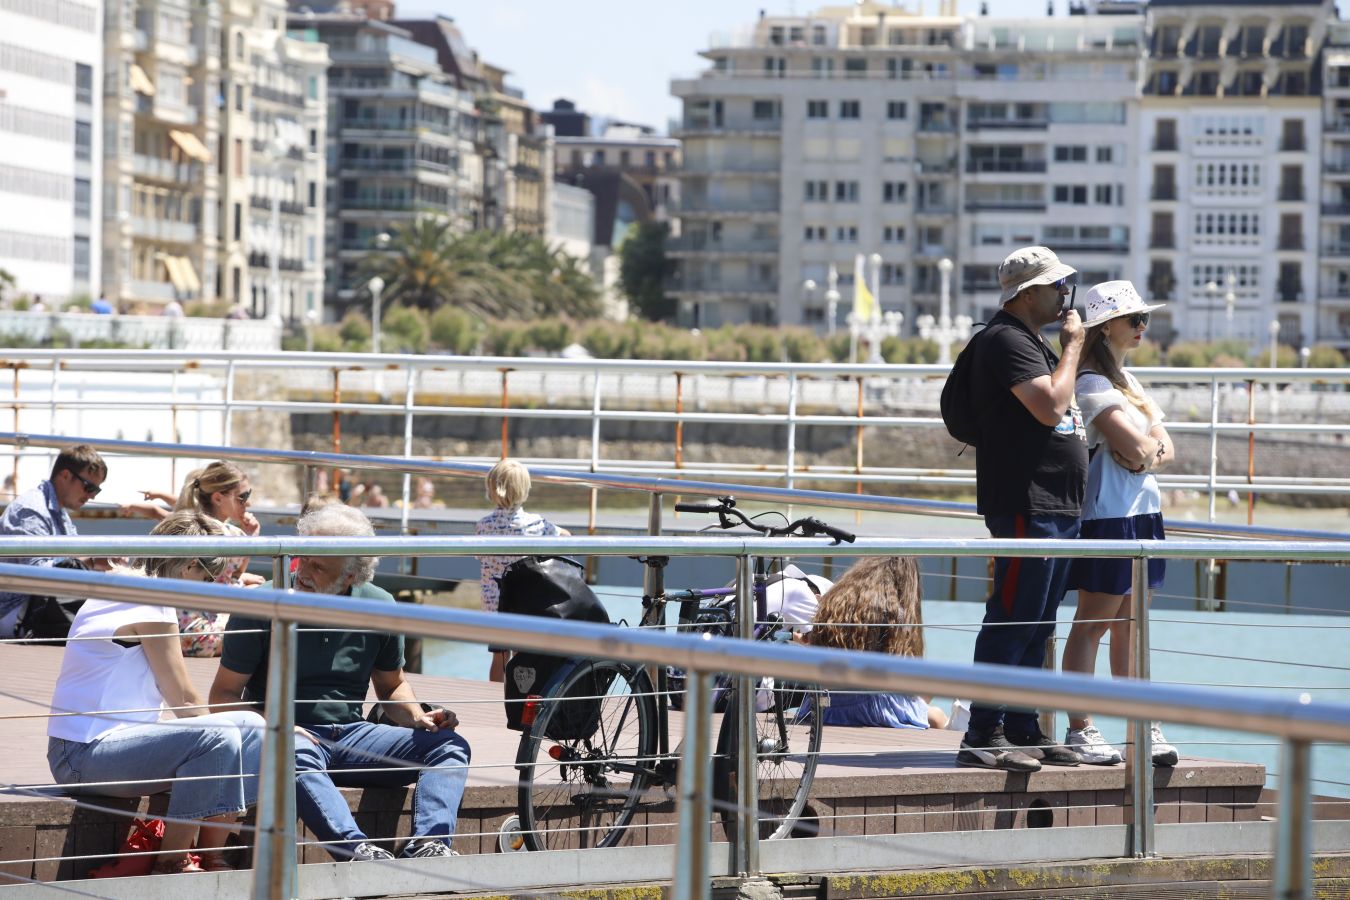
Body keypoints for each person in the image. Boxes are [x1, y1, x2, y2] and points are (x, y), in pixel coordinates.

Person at [210, 504, 471, 862]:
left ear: (351, 576)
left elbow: (392, 685)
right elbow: (223, 695)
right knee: (290, 753)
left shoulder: (380, 604)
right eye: (303, 559)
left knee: (449, 745)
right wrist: (276, 727)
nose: (302, 571)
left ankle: (430, 845)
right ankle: (356, 850)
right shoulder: (258, 604)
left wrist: (417, 717)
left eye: (319, 567)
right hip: (289, 736)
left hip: (353, 734)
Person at [47, 511, 264, 874]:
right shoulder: (150, 603)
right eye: (210, 577)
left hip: (101, 748)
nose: (210, 588)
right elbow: (185, 700)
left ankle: (213, 856)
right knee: (223, 736)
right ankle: (173, 860)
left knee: (253, 726)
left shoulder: (125, 587)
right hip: (84, 755)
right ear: (189, 566)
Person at [956, 246, 1089, 773]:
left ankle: (1023, 726)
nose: (1064, 295)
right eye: (1057, 286)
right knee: (1013, 616)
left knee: (1039, 620)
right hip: (1024, 502)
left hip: (1055, 503)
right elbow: (1051, 405)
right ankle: (982, 732)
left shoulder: (1028, 341)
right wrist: (1073, 348)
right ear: (1027, 293)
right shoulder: (1006, 341)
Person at [1061, 281, 1178, 767]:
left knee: (1133, 626)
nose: (1142, 328)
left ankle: (1141, 723)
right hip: (1108, 516)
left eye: (1144, 319)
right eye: (1134, 319)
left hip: (1143, 514)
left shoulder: (1130, 384)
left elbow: (1165, 449)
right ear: (1105, 325)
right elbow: (1138, 447)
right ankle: (1080, 728)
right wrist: (1143, 450)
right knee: (1094, 624)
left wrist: (1143, 452)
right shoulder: (1091, 382)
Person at [808, 556, 948, 729]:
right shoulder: (894, 611)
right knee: (938, 716)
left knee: (925, 694)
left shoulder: (837, 600)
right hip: (871, 706)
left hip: (824, 704)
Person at [0, 446, 117, 639]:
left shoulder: (57, 512)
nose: (92, 496)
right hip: (16, 611)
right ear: (64, 475)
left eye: (96, 490)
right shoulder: (31, 510)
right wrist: (93, 561)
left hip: (39, 606)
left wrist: (97, 561)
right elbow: (35, 574)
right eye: (89, 487)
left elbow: (74, 558)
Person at [475, 459, 569, 682]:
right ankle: (519, 699)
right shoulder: (537, 524)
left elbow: (479, 556)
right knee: (521, 655)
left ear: (491, 489)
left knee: (499, 656)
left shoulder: (483, 525)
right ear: (524, 490)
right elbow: (564, 537)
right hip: (525, 601)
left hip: (494, 602)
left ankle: (494, 695)